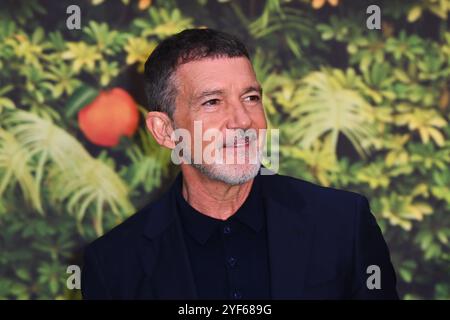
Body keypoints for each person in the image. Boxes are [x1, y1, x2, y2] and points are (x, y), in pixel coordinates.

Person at [81, 28, 398, 300]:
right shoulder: (113, 263)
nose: (243, 121)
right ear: (164, 131)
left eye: (251, 98)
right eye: (213, 102)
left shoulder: (344, 224)